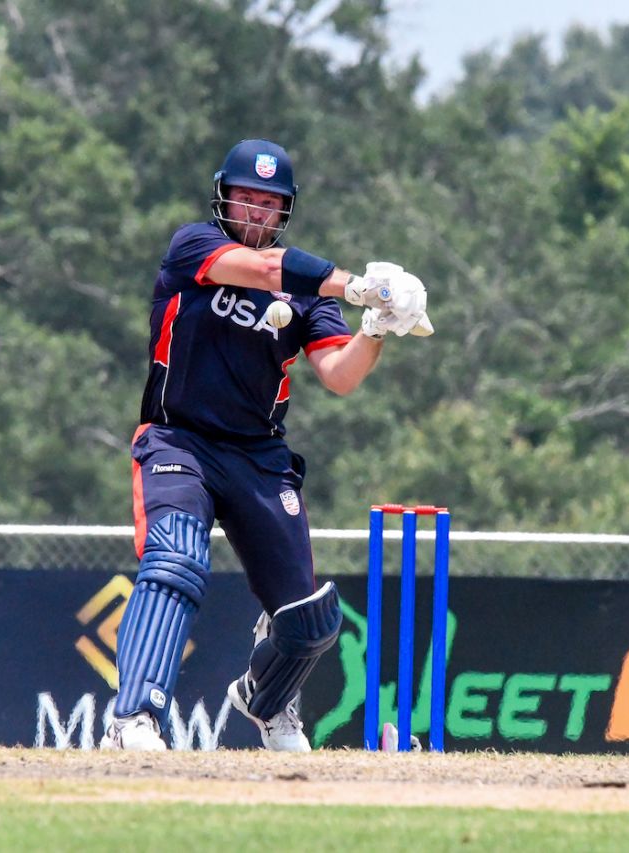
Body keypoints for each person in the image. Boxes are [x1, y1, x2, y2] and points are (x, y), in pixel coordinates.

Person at [100, 138, 431, 752]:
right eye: (245, 198)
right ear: (224, 197)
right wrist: (357, 286)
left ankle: (267, 701)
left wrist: (377, 327)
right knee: (175, 562)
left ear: (284, 212)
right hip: (180, 440)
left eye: (268, 203)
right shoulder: (194, 247)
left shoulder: (306, 296)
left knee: (308, 617)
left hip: (258, 458)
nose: (255, 212)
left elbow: (341, 376)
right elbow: (262, 270)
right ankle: (134, 719)